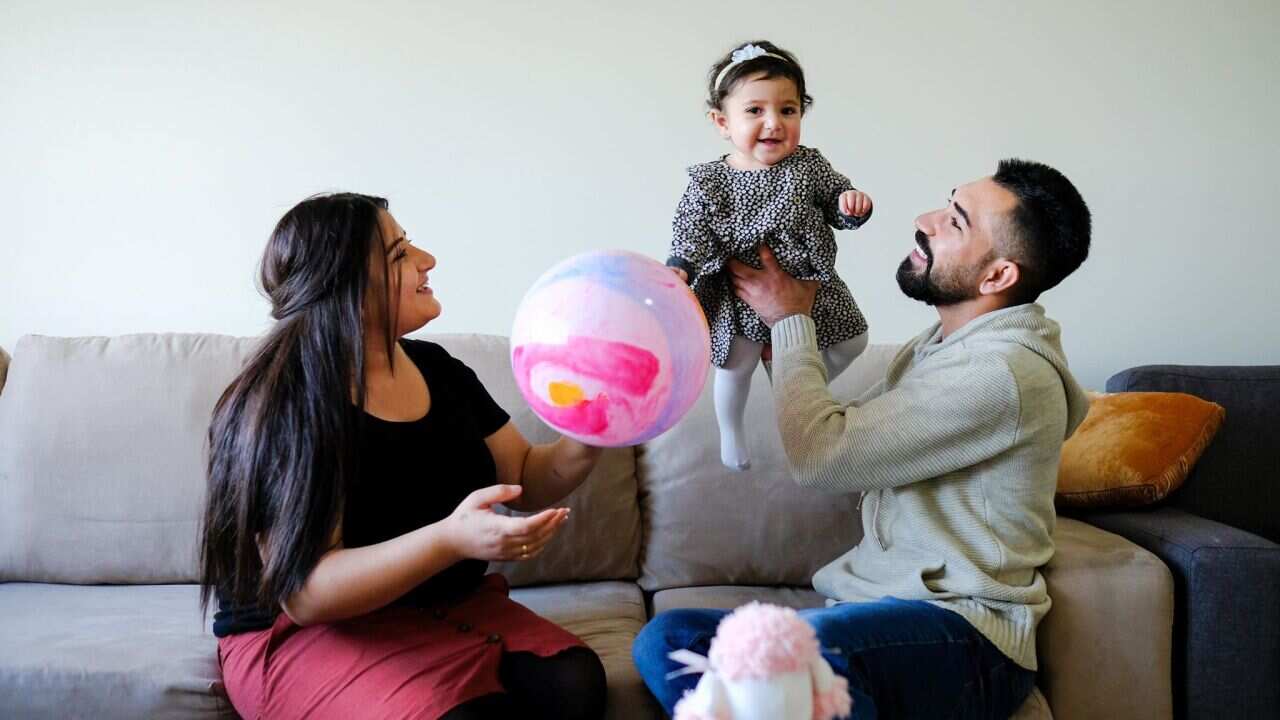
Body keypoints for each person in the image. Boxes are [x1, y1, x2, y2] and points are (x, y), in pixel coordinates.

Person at [636, 159, 1093, 719]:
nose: (924, 221)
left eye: (955, 222)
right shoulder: (940, 347)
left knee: (793, 659)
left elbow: (821, 456)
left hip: (964, 636)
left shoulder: (1001, 372)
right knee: (671, 637)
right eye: (946, 203)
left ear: (998, 276)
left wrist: (790, 320)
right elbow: (847, 431)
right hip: (872, 616)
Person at [199, 193, 608, 720]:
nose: (427, 260)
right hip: (304, 628)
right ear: (345, 288)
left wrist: (592, 431)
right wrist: (450, 539)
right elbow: (306, 594)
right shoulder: (284, 402)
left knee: (574, 683)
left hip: (429, 602)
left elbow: (526, 475)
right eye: (399, 254)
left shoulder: (438, 367)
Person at [666, 40, 874, 470]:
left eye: (788, 110)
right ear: (722, 122)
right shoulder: (710, 181)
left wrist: (851, 205)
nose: (774, 123)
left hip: (806, 284)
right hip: (740, 290)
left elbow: (836, 197)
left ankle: (792, 392)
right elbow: (691, 230)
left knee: (853, 339)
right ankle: (731, 433)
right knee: (736, 366)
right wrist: (681, 267)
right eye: (755, 110)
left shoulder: (808, 166)